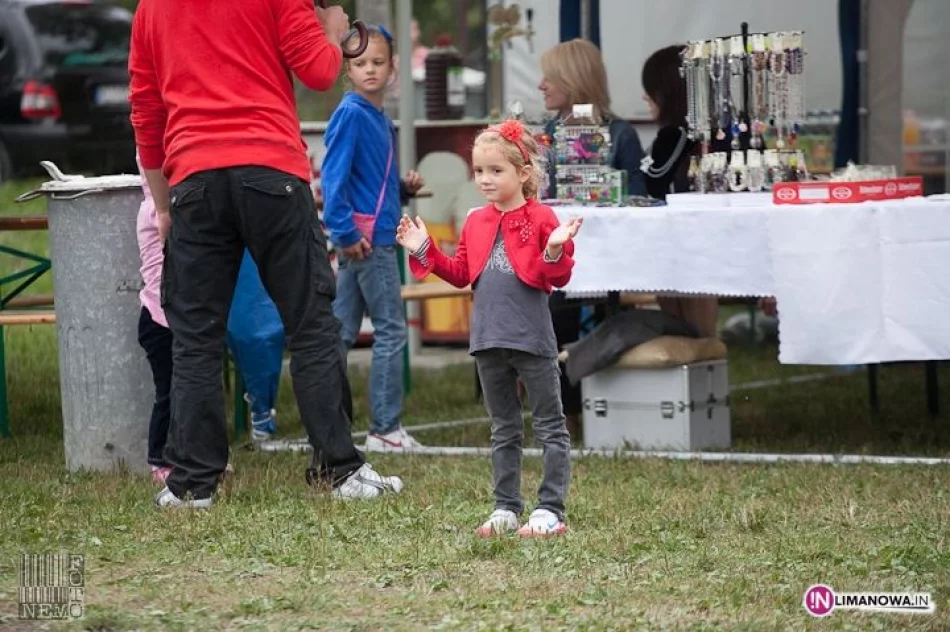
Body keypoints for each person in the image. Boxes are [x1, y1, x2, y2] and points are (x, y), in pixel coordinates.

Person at [129, 0, 402, 508]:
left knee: (195, 336)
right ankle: (339, 471)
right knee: (311, 324)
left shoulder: (150, 7)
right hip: (272, 171)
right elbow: (320, 72)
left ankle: (192, 483)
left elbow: (146, 109)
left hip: (195, 179)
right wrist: (334, 32)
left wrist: (164, 206)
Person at [396, 119, 582, 537]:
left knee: (550, 424)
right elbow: (461, 273)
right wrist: (424, 249)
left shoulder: (541, 216)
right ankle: (506, 507)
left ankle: (550, 509)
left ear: (523, 173)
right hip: (487, 340)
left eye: (495, 171)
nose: (484, 179)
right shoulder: (477, 220)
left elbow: (551, 277)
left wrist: (553, 248)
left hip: (532, 339)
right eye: (479, 171)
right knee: (503, 427)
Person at [137, 161, 285, 486]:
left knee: (188, 389)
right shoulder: (159, 212)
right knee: (171, 393)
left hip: (177, 317)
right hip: (162, 321)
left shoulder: (168, 207)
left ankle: (194, 456)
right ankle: (160, 459)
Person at [537, 38, 646, 439]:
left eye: (549, 77)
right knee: (546, 304)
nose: (540, 86)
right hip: (557, 261)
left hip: (610, 260)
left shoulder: (620, 135)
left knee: (558, 307)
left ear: (573, 79)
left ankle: (573, 408)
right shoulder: (544, 137)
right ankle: (558, 410)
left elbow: (638, 201)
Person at [322, 26, 425, 452]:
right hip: (367, 242)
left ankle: (329, 422)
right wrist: (344, 232)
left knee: (340, 333)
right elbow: (333, 179)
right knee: (391, 331)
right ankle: (385, 428)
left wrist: (402, 189)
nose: (370, 70)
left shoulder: (378, 117)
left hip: (365, 236)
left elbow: (368, 181)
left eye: (378, 63)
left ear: (393, 68)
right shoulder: (351, 114)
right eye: (361, 64)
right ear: (348, 70)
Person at [640, 45, 719, 337]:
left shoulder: (678, 136)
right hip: (679, 245)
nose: (645, 97)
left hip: (694, 246)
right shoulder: (684, 135)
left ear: (668, 92)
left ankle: (701, 351)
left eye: (651, 90)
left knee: (693, 306)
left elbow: (653, 181)